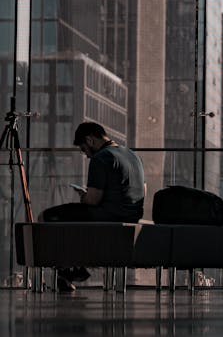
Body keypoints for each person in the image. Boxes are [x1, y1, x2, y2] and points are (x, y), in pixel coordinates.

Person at [41, 121, 146, 291]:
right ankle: (71, 271)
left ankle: (71, 270)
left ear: (90, 140)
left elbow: (93, 200)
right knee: (73, 216)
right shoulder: (133, 156)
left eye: (83, 149)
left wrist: (84, 196)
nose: (86, 155)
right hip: (131, 216)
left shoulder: (101, 158)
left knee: (47, 216)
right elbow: (143, 191)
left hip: (108, 215)